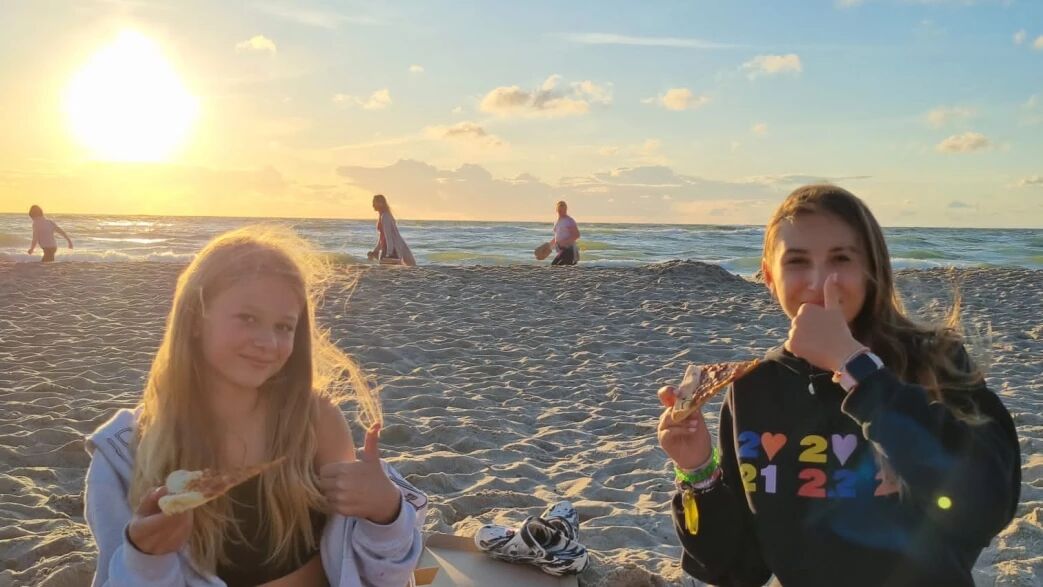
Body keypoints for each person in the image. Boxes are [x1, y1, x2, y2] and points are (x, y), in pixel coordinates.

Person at [657, 185, 1020, 587]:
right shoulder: (754, 389)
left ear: (872, 269)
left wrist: (856, 369)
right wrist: (698, 471)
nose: (818, 282)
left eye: (841, 258)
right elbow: (738, 569)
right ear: (769, 276)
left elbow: (985, 505)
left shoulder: (933, 363)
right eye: (797, 261)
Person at [84, 226, 427, 586]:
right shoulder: (130, 453)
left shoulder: (314, 421)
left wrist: (386, 513)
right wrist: (145, 559)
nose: (267, 342)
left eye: (284, 326)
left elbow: (375, 574)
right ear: (196, 317)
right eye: (248, 318)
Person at [367, 194, 416, 266]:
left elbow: (389, 237)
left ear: (381, 203)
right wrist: (375, 251)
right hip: (386, 250)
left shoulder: (385, 216)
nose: (373, 205)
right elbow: (382, 238)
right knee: (386, 272)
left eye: (374, 203)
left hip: (390, 250)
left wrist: (389, 254)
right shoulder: (382, 216)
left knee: (387, 272)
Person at [549, 201, 580, 266]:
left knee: (554, 266)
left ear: (566, 209)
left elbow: (577, 235)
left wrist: (564, 242)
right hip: (561, 250)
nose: (562, 212)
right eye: (559, 210)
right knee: (556, 267)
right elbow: (557, 236)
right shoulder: (557, 222)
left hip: (569, 250)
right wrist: (548, 246)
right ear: (557, 210)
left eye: (564, 210)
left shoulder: (569, 220)